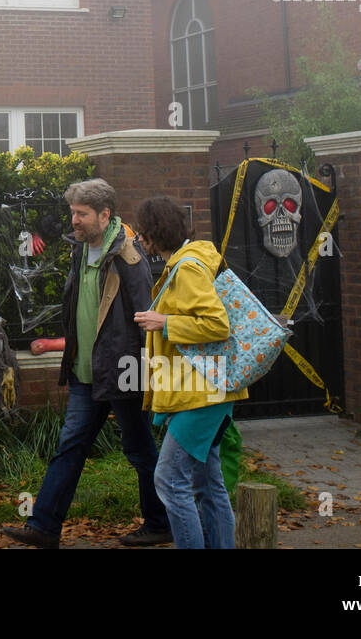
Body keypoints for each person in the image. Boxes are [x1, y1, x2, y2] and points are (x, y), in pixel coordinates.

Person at [3, 179, 172, 549]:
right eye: (73, 213)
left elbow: (145, 316)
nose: (74, 221)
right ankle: (44, 527)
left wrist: (148, 374)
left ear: (104, 214)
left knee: (140, 450)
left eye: (81, 214)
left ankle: (161, 522)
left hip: (124, 372)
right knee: (70, 446)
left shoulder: (129, 256)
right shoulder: (81, 249)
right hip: (85, 372)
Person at [132, 196, 247, 549]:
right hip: (201, 388)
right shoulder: (185, 263)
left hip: (201, 392)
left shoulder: (188, 268)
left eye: (142, 231)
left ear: (154, 233)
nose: (138, 236)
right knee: (207, 484)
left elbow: (216, 324)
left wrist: (164, 322)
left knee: (168, 480)